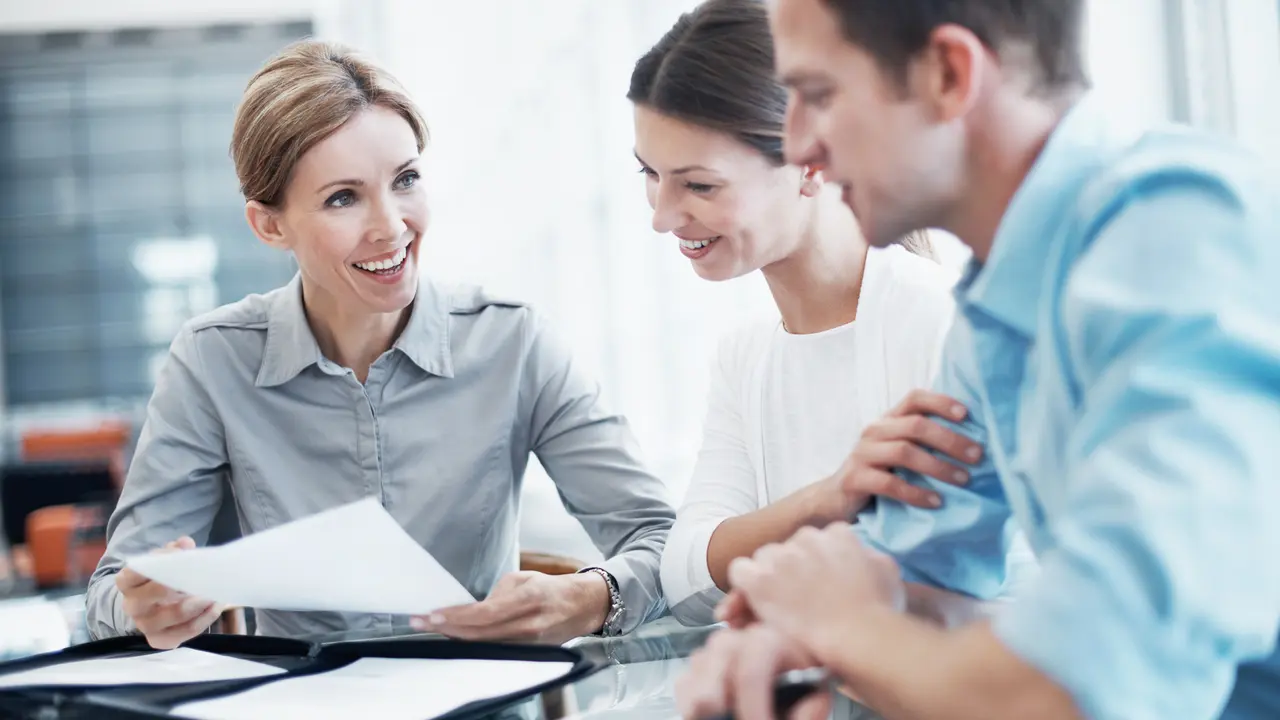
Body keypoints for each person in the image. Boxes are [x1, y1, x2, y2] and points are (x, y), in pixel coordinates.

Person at [676, 0, 1280, 719]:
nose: (798, 144)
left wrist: (843, 628)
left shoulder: (1175, 234)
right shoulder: (994, 312)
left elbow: (1081, 689)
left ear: (948, 73)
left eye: (818, 95)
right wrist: (795, 632)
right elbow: (925, 577)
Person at [85, 39, 675, 649]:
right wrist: (147, 607)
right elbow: (113, 589)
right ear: (270, 224)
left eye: (406, 180)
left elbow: (663, 542)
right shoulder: (213, 360)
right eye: (343, 197)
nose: (391, 226)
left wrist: (590, 595)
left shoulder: (515, 343)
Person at [631, 0, 1028, 627]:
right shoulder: (746, 356)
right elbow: (686, 581)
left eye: (699, 185)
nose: (660, 215)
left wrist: (766, 543)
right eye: (649, 173)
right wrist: (829, 497)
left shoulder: (939, 326)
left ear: (810, 163)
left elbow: (996, 589)